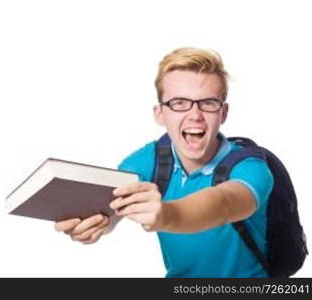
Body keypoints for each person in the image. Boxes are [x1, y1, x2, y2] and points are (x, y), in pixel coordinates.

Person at [55, 47, 274, 278]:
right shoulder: (150, 160)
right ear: (160, 114)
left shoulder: (251, 167)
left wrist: (166, 215)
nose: (195, 115)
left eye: (208, 103)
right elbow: (111, 206)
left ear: (223, 113)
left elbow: (223, 204)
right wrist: (95, 224)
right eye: (179, 103)